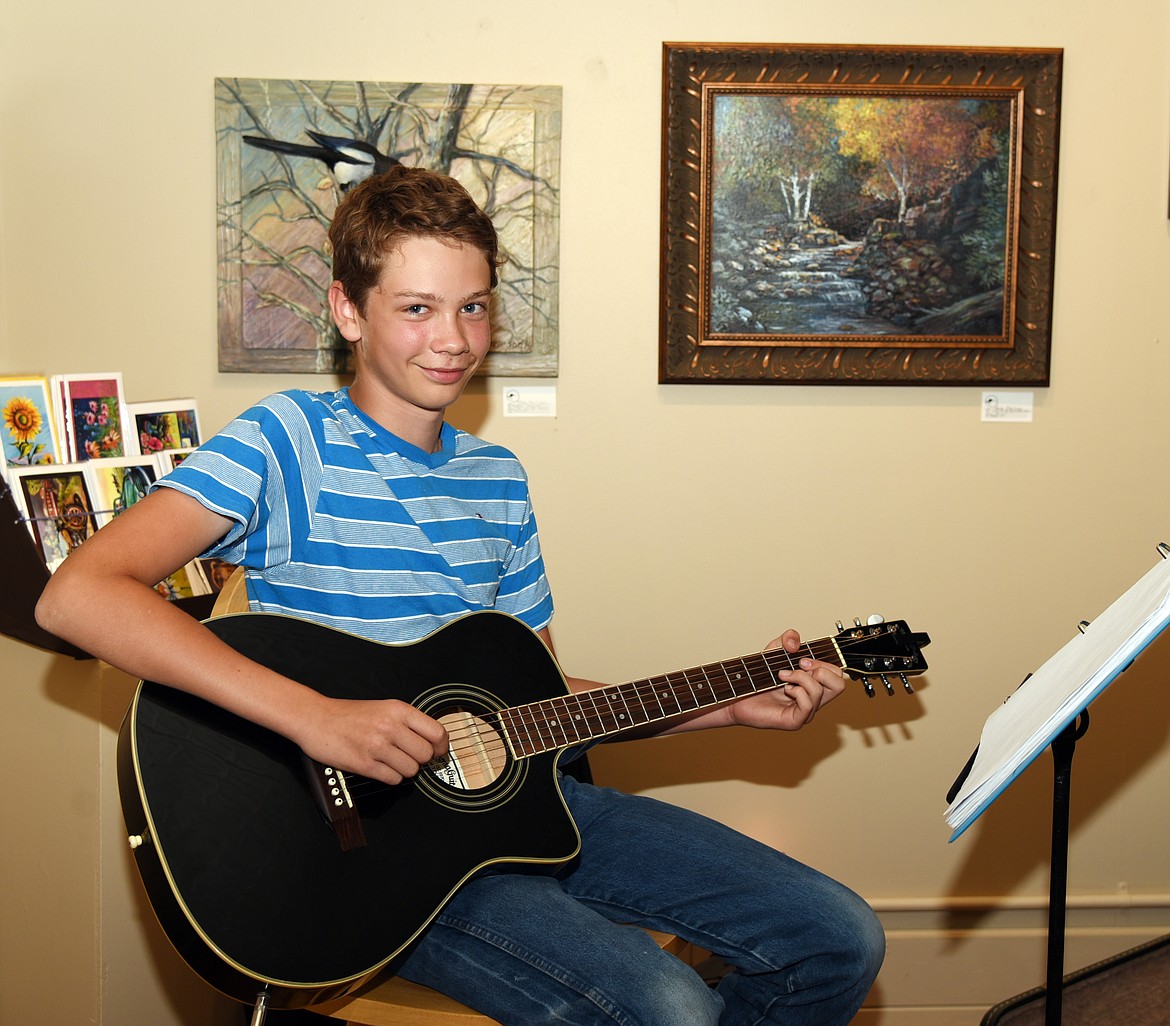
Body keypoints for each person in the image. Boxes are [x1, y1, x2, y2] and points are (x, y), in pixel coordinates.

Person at [37, 165, 884, 1026]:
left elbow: (542, 703)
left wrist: (728, 707)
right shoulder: (287, 438)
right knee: (667, 1006)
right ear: (347, 311)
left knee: (837, 934)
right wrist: (315, 715)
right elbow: (78, 596)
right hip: (369, 851)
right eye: (416, 307)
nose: (452, 337)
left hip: (523, 810)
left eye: (472, 306)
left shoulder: (498, 477)